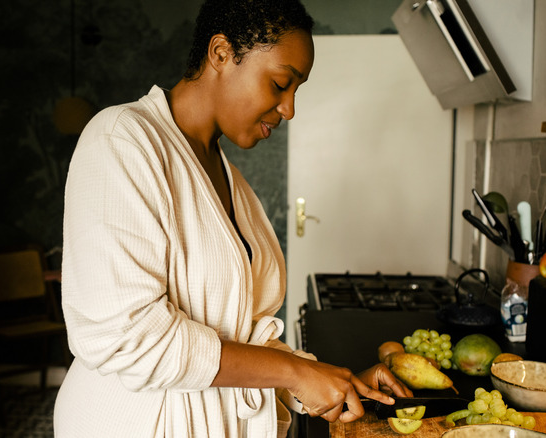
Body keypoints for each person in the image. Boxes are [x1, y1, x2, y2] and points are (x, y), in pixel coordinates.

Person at [53, 0, 412, 436]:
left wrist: (331, 381)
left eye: (296, 90)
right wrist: (293, 374)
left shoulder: (230, 178)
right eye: (281, 83)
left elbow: (244, 338)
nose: (289, 109)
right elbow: (127, 336)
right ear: (221, 53)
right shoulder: (123, 140)